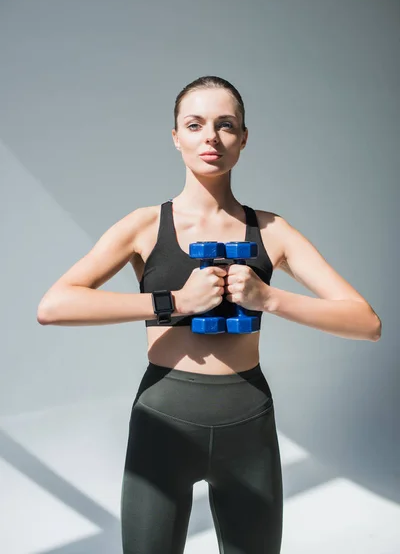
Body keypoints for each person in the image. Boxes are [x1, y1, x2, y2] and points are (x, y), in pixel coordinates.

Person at [37, 75, 382, 554]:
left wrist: (270, 300)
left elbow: (367, 323)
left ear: (243, 138)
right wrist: (173, 303)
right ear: (176, 136)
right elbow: (54, 306)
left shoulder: (273, 231)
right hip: (163, 421)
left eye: (225, 125)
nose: (210, 138)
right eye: (195, 125)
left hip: (248, 425)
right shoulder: (143, 225)